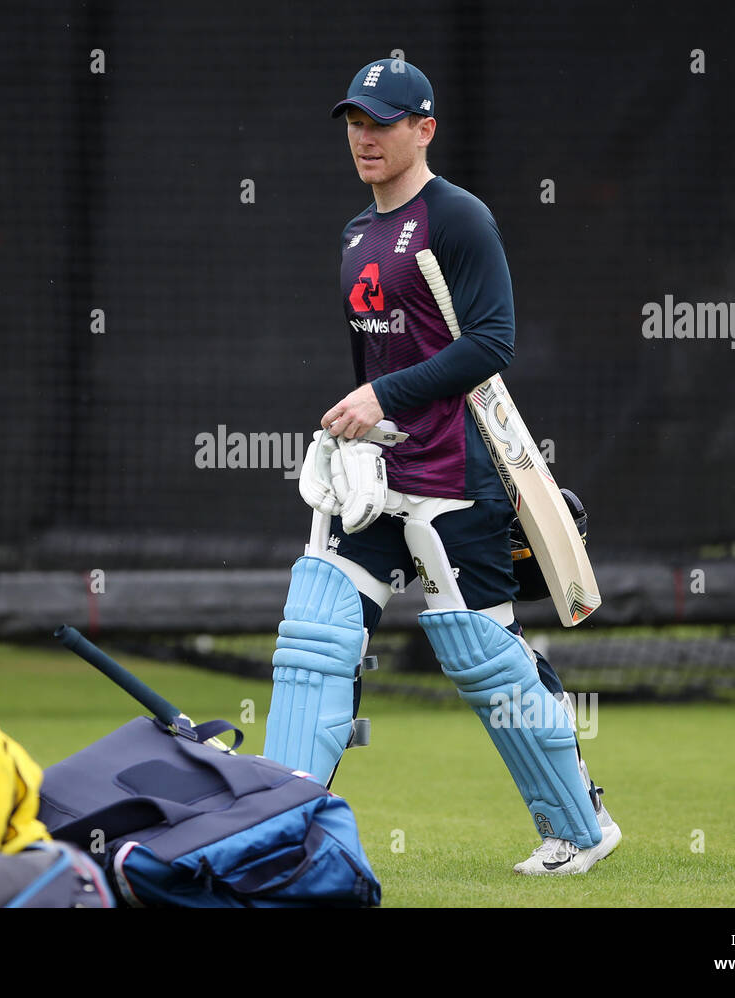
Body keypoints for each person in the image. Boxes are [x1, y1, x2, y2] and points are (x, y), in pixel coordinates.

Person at [261, 57, 621, 875]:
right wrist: (364, 427)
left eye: (382, 123)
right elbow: (384, 362)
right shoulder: (357, 233)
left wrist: (381, 396)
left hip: (460, 477)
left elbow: (491, 343)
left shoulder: (459, 219)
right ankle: (274, 833)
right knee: (314, 635)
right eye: (355, 122)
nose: (365, 137)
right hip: (380, 478)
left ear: (424, 128)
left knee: (483, 656)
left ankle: (579, 825)